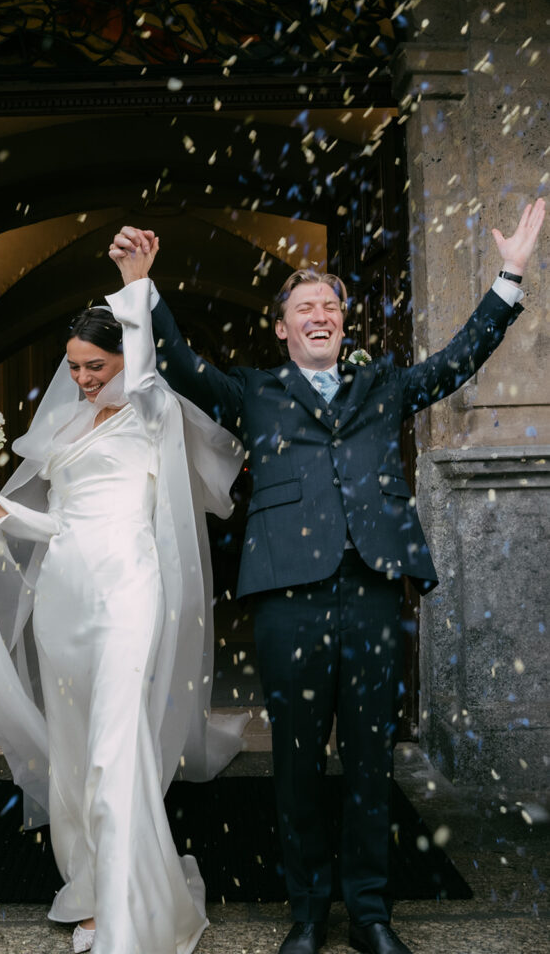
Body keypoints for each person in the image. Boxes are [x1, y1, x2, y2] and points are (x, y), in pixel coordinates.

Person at [108, 197, 546, 954]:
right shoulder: (253, 393)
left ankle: (370, 915)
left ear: (341, 325)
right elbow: (179, 367)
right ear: (281, 328)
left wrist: (509, 275)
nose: (319, 313)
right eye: (303, 306)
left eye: (329, 306)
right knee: (296, 765)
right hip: (287, 602)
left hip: (374, 594)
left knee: (370, 762)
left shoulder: (383, 385)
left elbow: (455, 362)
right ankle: (307, 915)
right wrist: (143, 285)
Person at [0, 276, 246, 954]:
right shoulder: (69, 425)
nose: (82, 378)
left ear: (128, 357)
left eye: (95, 366)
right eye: (73, 367)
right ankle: (97, 887)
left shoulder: (154, 413)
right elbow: (59, 524)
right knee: (74, 754)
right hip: (63, 598)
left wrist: (137, 287)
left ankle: (129, 917)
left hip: (129, 590)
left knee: (112, 748)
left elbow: (154, 373)